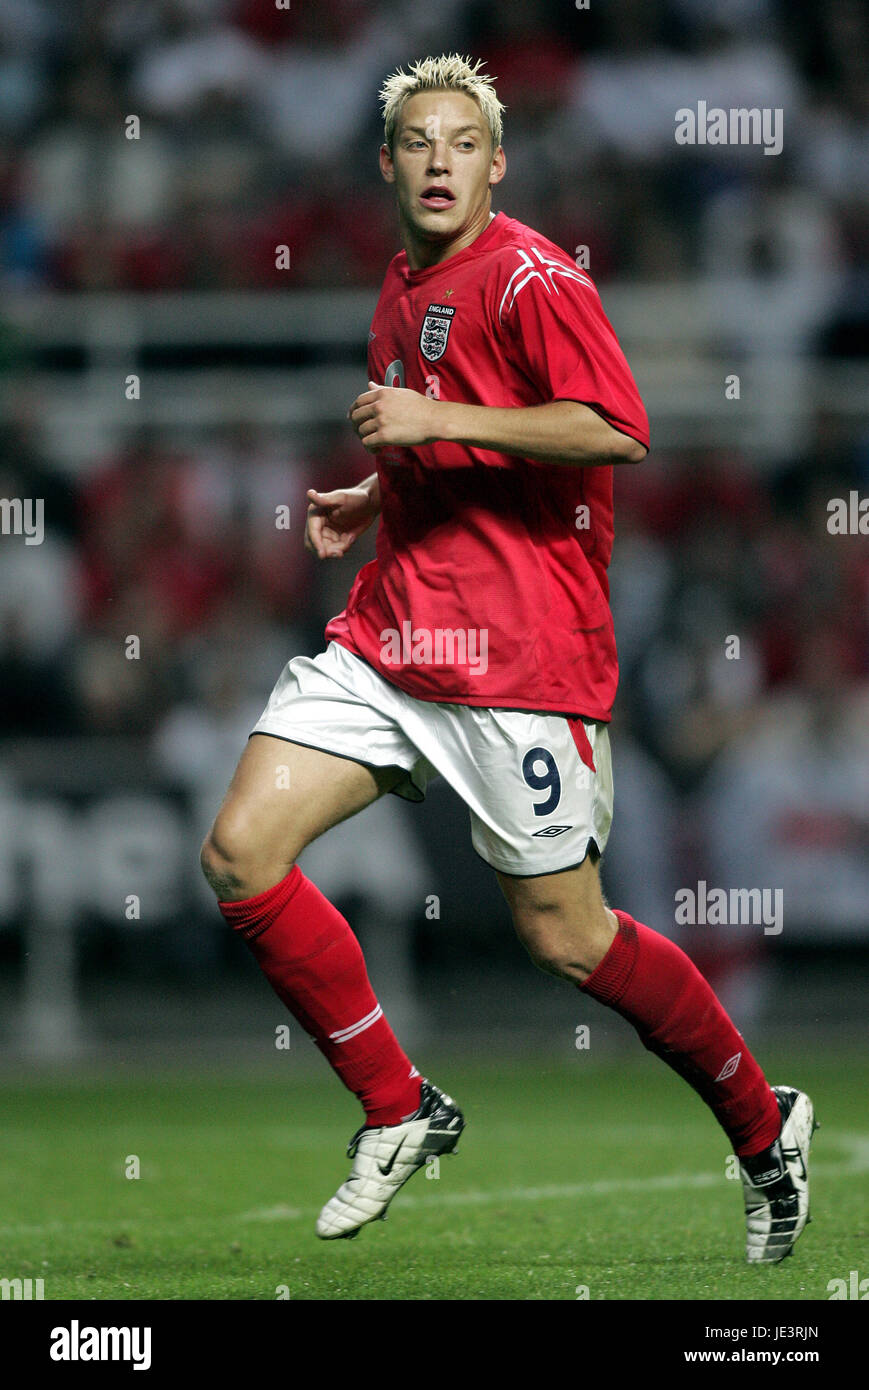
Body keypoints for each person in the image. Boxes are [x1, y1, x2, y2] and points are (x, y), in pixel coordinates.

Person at [200, 54, 815, 1261]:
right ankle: (397, 1104)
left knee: (565, 938)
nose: (439, 161)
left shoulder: (534, 276)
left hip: (522, 656)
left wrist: (435, 423)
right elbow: (453, 434)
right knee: (238, 851)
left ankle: (762, 1123)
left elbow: (614, 428)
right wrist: (378, 495)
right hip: (391, 636)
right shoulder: (397, 277)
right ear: (386, 164)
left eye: (461, 142)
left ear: (495, 163)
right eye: (417, 142)